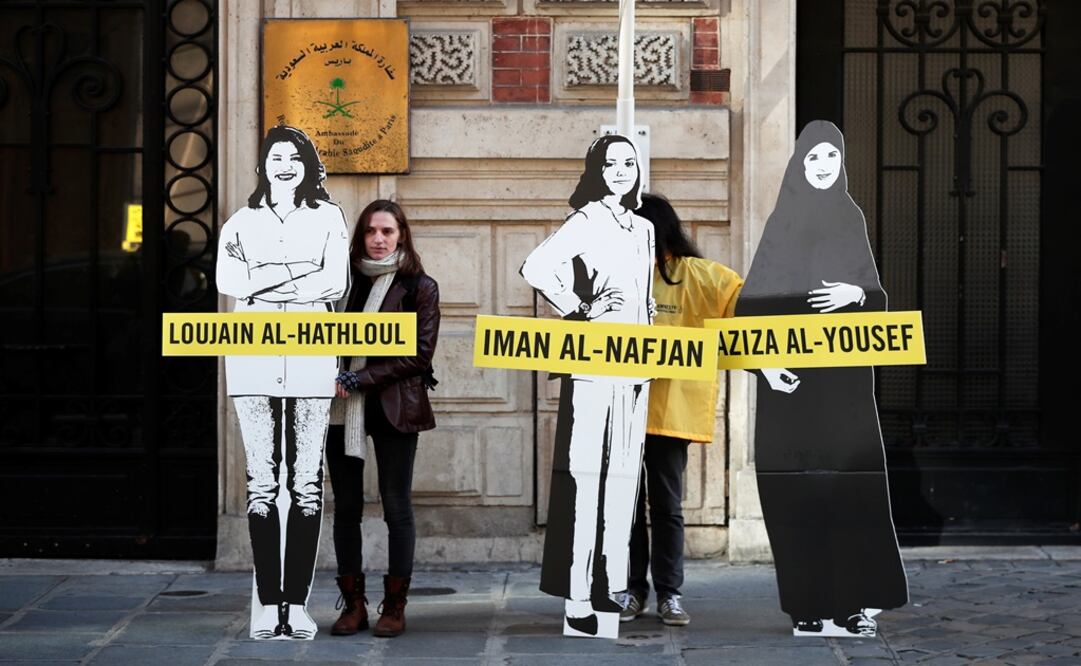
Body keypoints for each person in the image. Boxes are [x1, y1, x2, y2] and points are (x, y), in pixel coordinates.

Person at [735, 120, 908, 636]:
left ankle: (853, 603)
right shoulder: (781, 223)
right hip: (791, 388)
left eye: (832, 157)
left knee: (851, 490)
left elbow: (875, 298)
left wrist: (854, 297)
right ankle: (807, 605)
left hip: (844, 388)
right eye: (814, 158)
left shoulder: (849, 218)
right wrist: (766, 366)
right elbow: (749, 309)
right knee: (798, 494)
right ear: (799, 164)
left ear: (842, 164)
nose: (823, 167)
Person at [216, 125, 350, 639]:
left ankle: (296, 604)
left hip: (313, 353)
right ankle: (267, 604)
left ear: (308, 165)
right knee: (262, 484)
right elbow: (229, 282)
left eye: (295, 157)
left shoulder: (328, 217)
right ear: (263, 166)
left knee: (307, 484)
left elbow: (333, 281)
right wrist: (295, 279)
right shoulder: (241, 222)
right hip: (251, 355)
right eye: (276, 157)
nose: (285, 165)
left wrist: (264, 281)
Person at [521, 134, 655, 637]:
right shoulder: (587, 220)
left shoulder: (643, 228)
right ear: (597, 171)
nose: (622, 170)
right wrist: (576, 308)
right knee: (584, 478)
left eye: (630, 162)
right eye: (612, 163)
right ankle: (578, 592)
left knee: (625, 478)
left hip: (635, 366)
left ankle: (611, 584)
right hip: (594, 361)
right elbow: (537, 266)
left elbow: (642, 299)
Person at [621, 193, 743, 627]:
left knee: (666, 508)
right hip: (621, 410)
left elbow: (747, 306)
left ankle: (669, 593)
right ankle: (634, 591)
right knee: (627, 509)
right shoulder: (616, 275)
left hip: (669, 414)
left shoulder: (697, 276)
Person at [326, 199, 440, 639]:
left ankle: (394, 606)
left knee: (396, 507)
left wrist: (361, 377)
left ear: (402, 236)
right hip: (341, 408)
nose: (378, 239)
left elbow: (419, 355)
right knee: (346, 509)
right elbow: (320, 337)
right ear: (361, 236)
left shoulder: (419, 287)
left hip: (394, 406)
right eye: (371, 231)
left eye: (387, 232)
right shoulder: (341, 285)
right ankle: (353, 605)